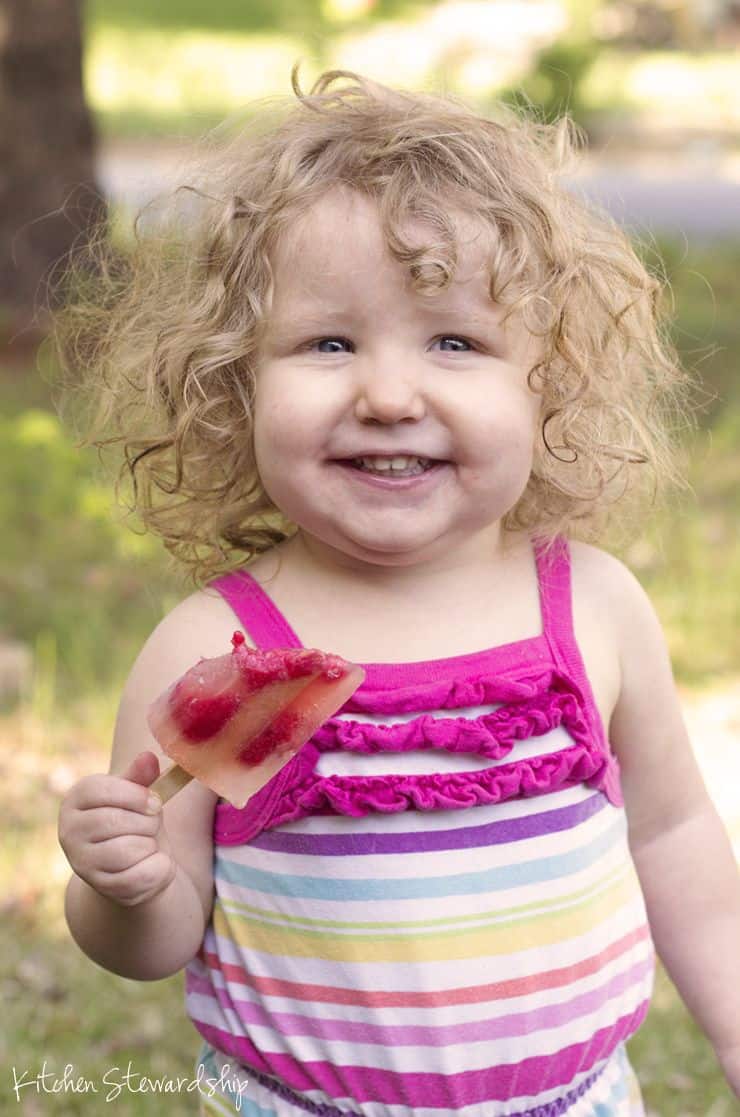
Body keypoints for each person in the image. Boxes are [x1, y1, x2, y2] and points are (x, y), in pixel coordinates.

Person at [56, 67, 740, 1115]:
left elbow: (671, 834)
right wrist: (120, 886)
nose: (385, 394)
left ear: (545, 382)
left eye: (454, 342)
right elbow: (155, 940)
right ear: (236, 383)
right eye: (327, 343)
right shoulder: (218, 645)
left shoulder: (592, 609)